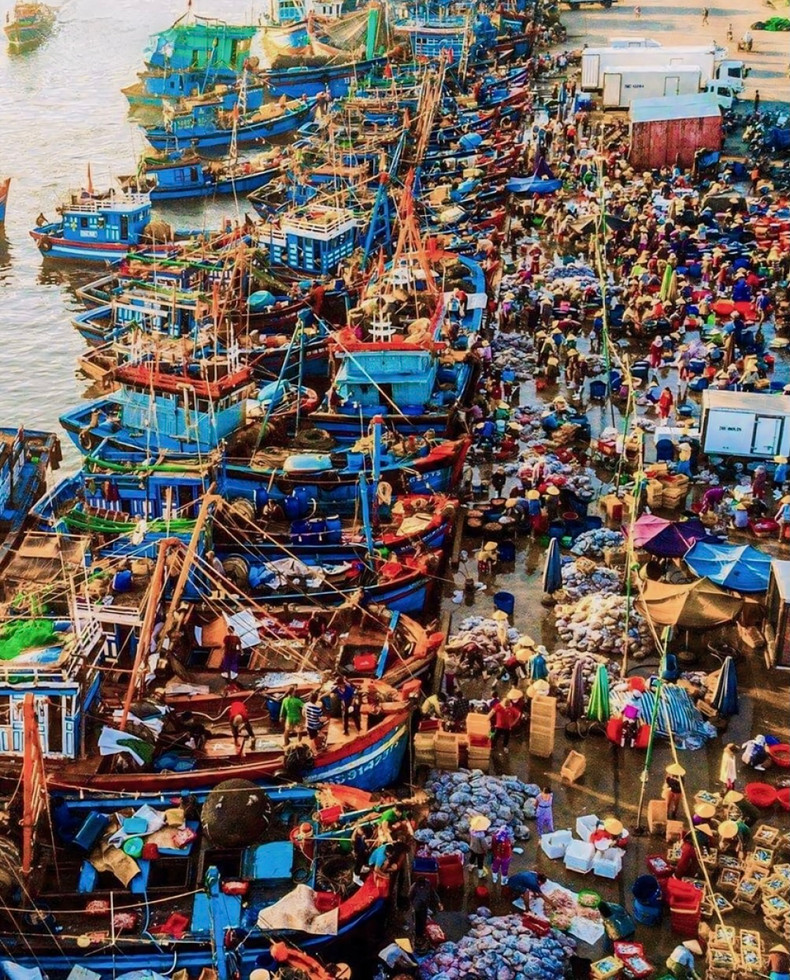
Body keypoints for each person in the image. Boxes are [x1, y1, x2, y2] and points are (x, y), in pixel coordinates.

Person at [409, 877, 442, 944]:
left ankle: (421, 934)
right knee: (418, 922)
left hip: (424, 907)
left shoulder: (428, 885)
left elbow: (433, 894)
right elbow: (410, 896)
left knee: (422, 921)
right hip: (417, 907)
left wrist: (438, 903)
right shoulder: (415, 886)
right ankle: (418, 935)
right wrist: (413, 904)